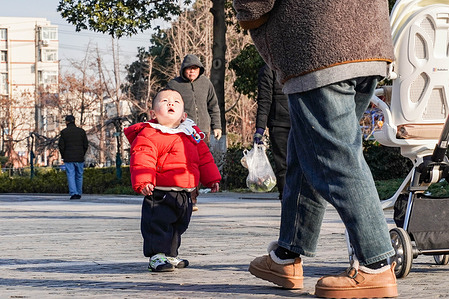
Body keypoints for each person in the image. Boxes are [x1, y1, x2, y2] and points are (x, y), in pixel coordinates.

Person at [233, 0, 398, 298]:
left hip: (320, 44)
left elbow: (254, 6)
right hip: (368, 39)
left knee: (337, 159)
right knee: (308, 148)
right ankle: (286, 255)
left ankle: (377, 265)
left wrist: (249, 15)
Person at [124, 89, 221, 272]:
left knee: (179, 225)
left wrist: (211, 178)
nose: (171, 104)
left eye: (176, 101)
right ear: (153, 113)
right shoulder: (150, 133)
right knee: (158, 224)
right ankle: (156, 255)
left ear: (184, 115)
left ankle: (170, 254)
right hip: (160, 191)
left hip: (185, 192)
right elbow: (143, 158)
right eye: (165, 101)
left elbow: (204, 158)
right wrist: (144, 181)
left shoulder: (191, 133)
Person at [166, 54, 222, 211]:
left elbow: (214, 105)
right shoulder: (174, 85)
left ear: (200, 70)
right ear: (183, 70)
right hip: (181, 131)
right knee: (184, 165)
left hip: (201, 131)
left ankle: (193, 197)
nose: (191, 72)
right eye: (189, 69)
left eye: (195, 69)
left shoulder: (206, 83)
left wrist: (217, 126)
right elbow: (165, 105)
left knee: (198, 165)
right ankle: (184, 196)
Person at [254, 63, 290, 201]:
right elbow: (265, 100)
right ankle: (288, 199)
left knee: (285, 166)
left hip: (288, 122)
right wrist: (260, 129)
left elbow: (264, 100)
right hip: (283, 123)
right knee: (286, 165)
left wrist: (260, 129)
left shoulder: (269, 69)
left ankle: (289, 200)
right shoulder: (269, 69)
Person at [58, 115, 89, 200]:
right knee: (79, 175)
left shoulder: (64, 132)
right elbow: (86, 145)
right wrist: (82, 153)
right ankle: (79, 193)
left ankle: (73, 193)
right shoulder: (81, 132)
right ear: (74, 121)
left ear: (67, 122)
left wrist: (64, 155)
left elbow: (61, 146)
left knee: (71, 175)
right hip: (79, 157)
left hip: (69, 158)